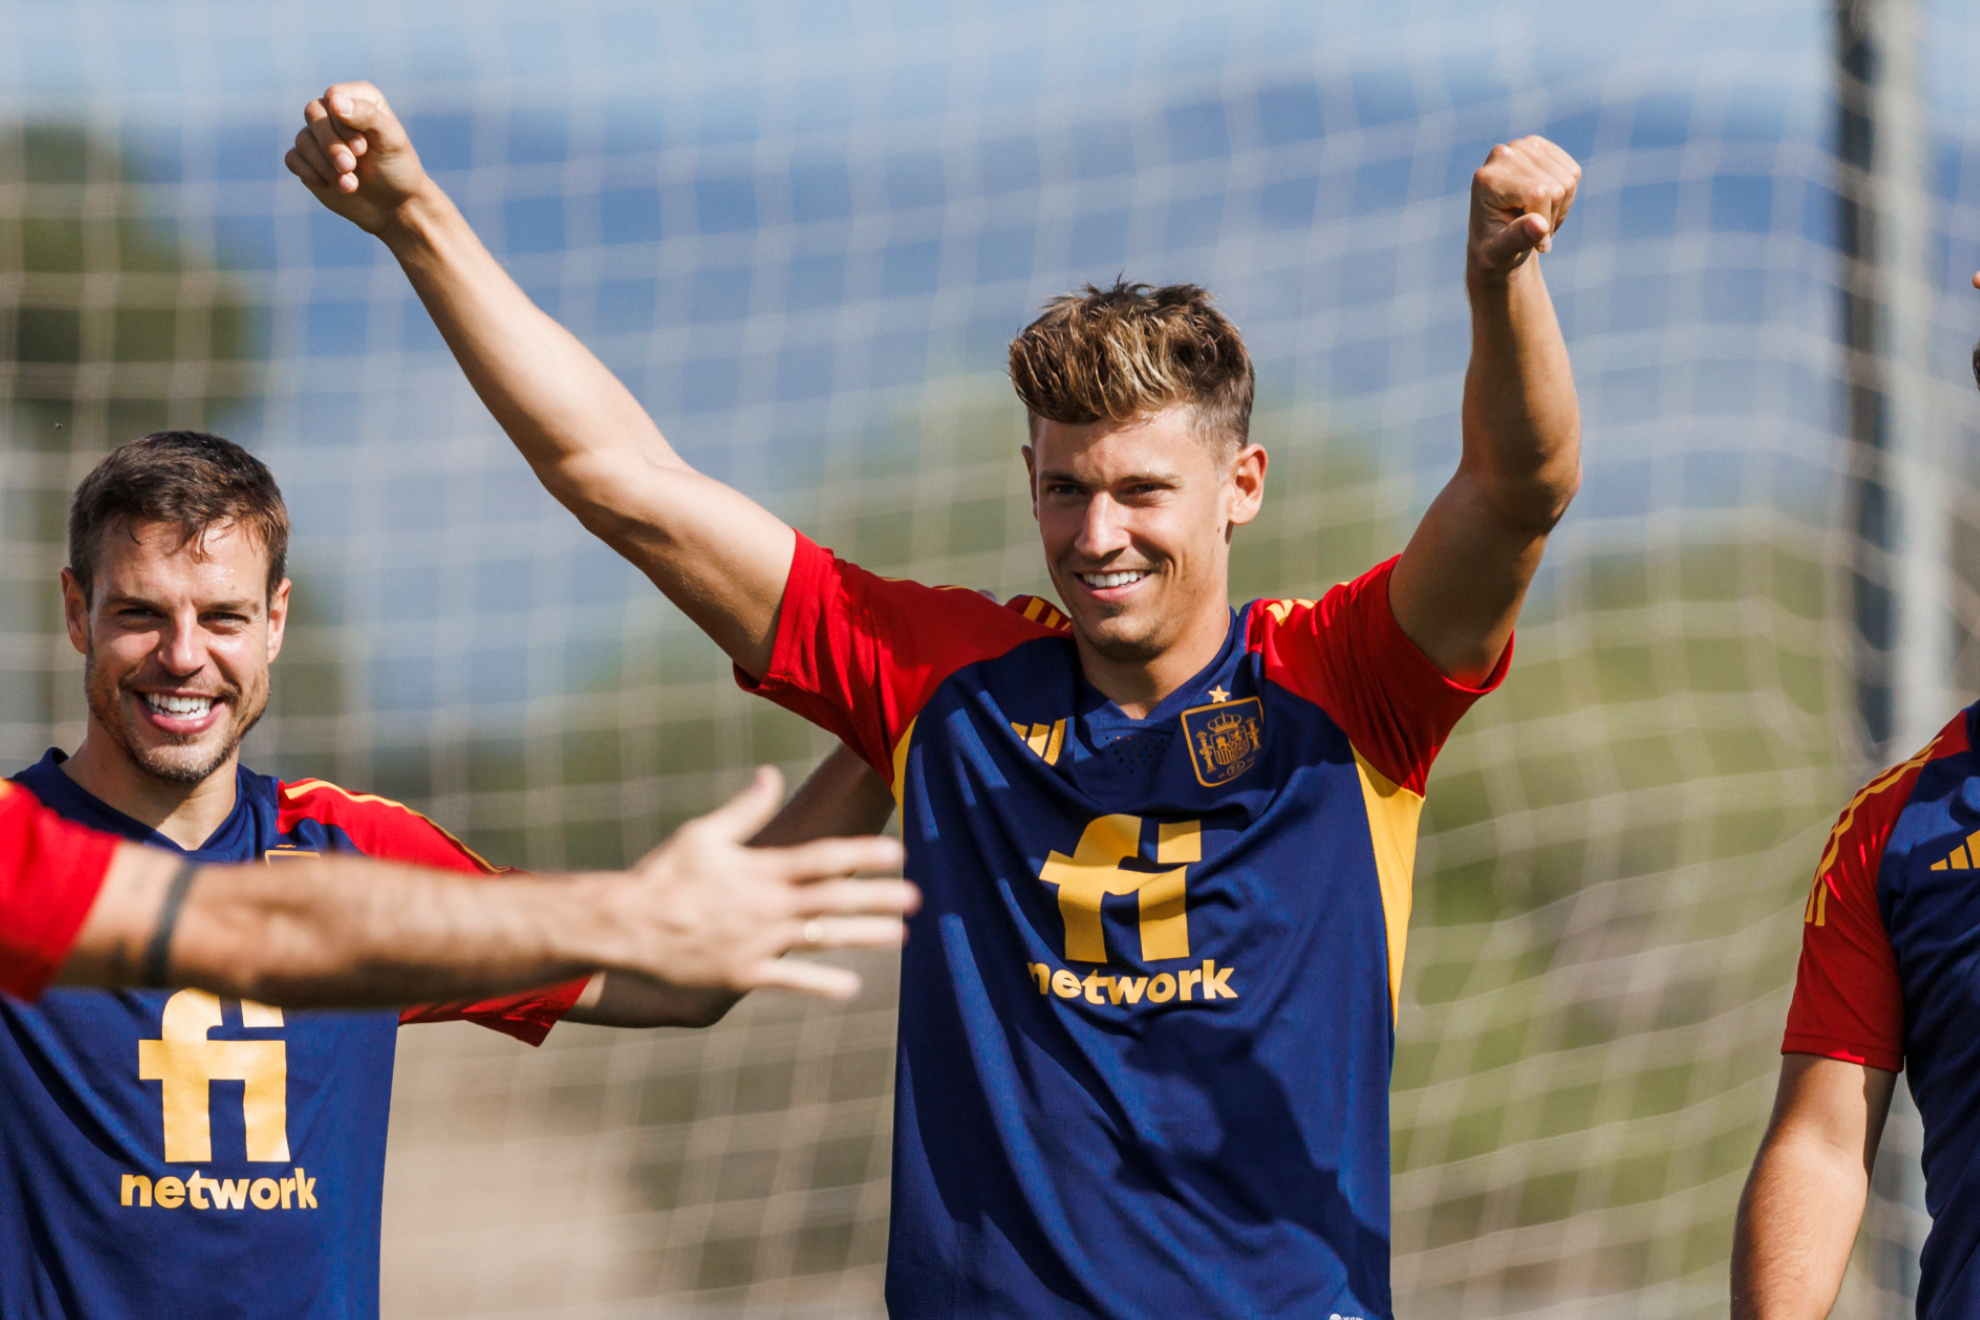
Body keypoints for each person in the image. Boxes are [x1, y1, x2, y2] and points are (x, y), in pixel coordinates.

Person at [289, 82, 1582, 1317]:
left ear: (1241, 485)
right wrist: (418, 220)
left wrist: (1501, 278)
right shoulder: (946, 684)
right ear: (1028, 479)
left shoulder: (1352, 683)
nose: (1097, 532)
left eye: (1142, 490)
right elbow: (619, 478)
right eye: (1065, 488)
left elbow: (1519, 487)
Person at [0, 430, 903, 1318]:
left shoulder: (358, 847)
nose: (185, 655)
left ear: (275, 621)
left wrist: (897, 734)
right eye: (140, 614)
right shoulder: (12, 846)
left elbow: (674, 981)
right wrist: (622, 907)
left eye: (224, 616)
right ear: (77, 612)